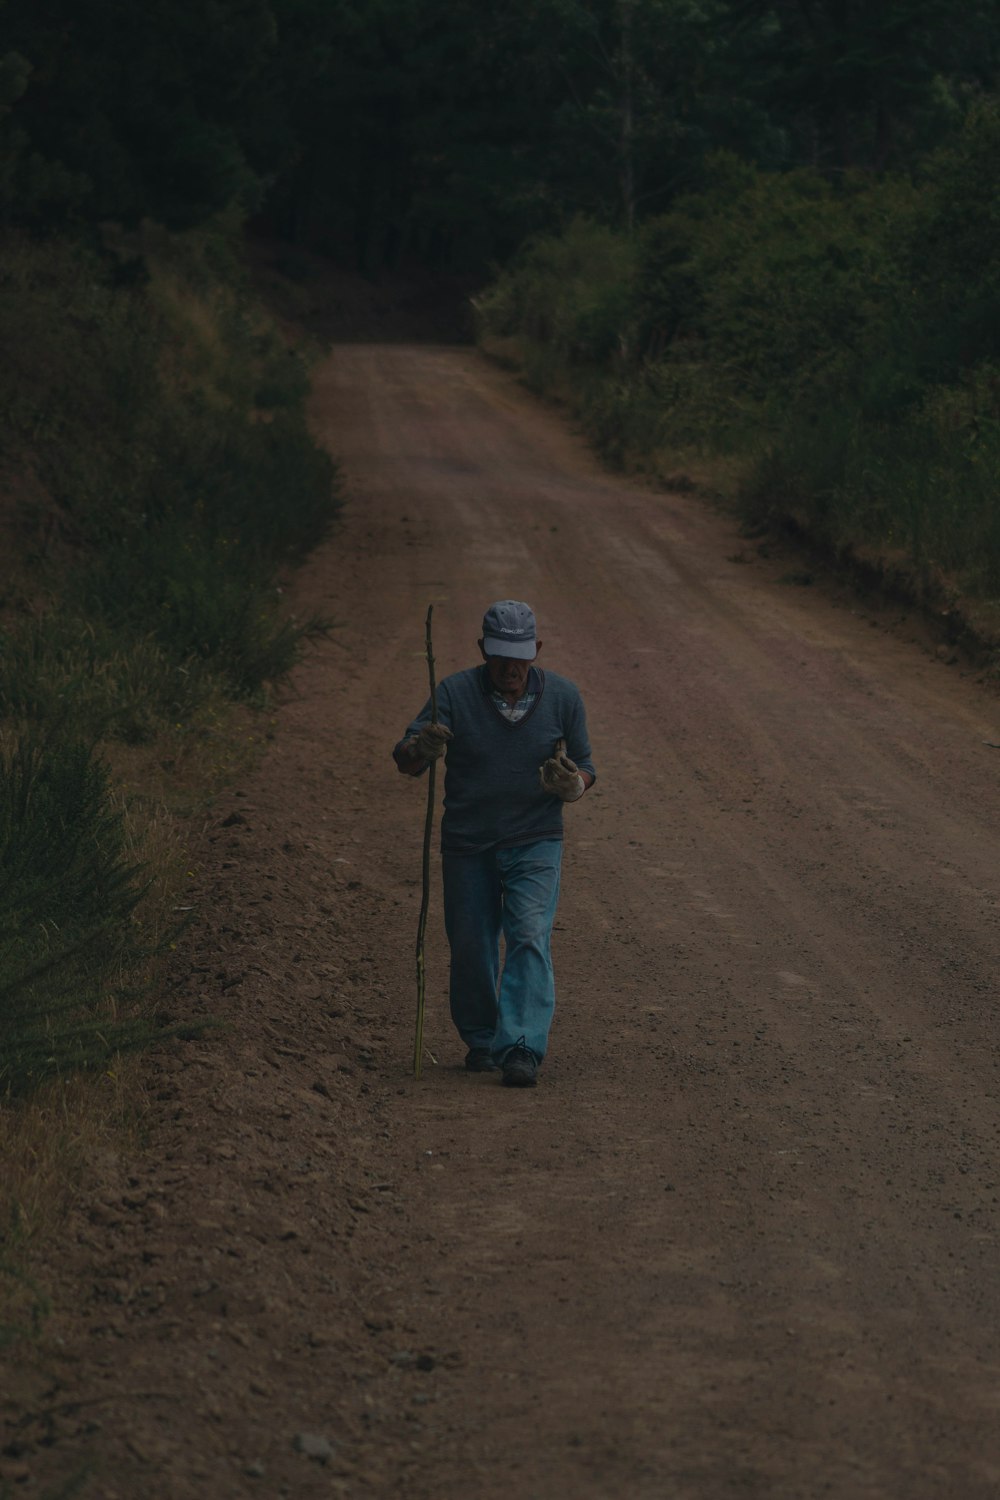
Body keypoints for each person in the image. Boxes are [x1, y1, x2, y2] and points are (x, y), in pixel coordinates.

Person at [393, 600, 596, 1087]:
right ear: (483, 649)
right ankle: (482, 1039)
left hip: (536, 837)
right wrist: (422, 748)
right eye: (501, 655)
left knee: (528, 934)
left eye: (521, 656)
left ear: (537, 650)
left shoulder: (564, 698)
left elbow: (587, 763)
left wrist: (575, 785)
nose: (511, 667)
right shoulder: (454, 694)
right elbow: (406, 758)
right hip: (468, 841)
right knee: (471, 942)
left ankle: (521, 1045)